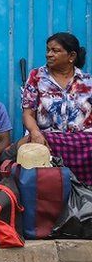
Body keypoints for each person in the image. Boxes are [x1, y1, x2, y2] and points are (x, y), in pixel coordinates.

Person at [22, 33, 92, 184]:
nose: (49, 54)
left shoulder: (87, 81)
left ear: (71, 56)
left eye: (55, 50)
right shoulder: (37, 76)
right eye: (48, 50)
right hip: (49, 139)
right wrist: (35, 132)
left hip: (82, 142)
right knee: (40, 145)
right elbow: (28, 113)